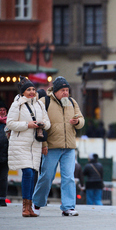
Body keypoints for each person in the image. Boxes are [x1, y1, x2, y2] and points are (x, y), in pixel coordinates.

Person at [32, 76, 85, 217]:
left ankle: (68, 207)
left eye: (67, 90)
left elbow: (81, 119)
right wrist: (43, 144)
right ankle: (37, 202)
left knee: (69, 177)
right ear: (55, 91)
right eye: (63, 90)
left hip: (69, 147)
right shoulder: (44, 102)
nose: (66, 93)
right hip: (51, 146)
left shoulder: (72, 102)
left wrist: (77, 122)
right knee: (47, 176)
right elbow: (40, 125)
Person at [6, 77, 50, 216]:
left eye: (33, 89)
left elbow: (48, 123)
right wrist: (28, 125)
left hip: (35, 145)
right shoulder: (16, 104)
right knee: (28, 173)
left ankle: (29, 207)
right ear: (23, 92)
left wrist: (42, 124)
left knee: (32, 175)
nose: (32, 92)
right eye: (28, 90)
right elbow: (10, 123)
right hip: (21, 144)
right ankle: (25, 207)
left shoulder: (40, 105)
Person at [0, 101, 9, 206]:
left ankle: (2, 198)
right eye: (0, 110)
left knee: (3, 177)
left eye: (4, 110)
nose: (2, 112)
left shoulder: (9, 123)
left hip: (5, 154)